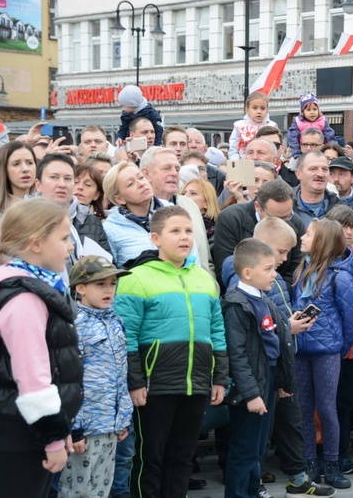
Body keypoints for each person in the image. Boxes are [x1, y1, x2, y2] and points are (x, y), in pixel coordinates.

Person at [114, 206, 228, 497]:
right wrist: (135, 382)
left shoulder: (204, 279)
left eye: (189, 231)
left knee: (182, 457)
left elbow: (217, 330)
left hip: (196, 382)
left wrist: (219, 377)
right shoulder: (135, 278)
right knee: (150, 459)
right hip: (155, 386)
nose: (184, 237)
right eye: (175, 231)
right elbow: (125, 337)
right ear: (156, 238)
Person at [0, 198, 83, 498]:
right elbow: (33, 376)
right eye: (64, 238)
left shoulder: (32, 287)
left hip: (29, 427)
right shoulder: (24, 299)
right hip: (24, 431)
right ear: (36, 244)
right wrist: (53, 440)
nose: (70, 247)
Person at [222, 238, 297, 498]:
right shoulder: (236, 305)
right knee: (245, 447)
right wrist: (251, 394)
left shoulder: (264, 299)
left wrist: (282, 383)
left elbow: (276, 345)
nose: (274, 273)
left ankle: (253, 492)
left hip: (268, 378)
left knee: (257, 447)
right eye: (267, 269)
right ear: (247, 273)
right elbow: (237, 355)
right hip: (251, 386)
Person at [292, 219, 353, 489]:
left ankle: (331, 463)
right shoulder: (300, 271)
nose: (302, 236)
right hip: (300, 352)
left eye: (308, 234)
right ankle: (310, 463)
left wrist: (336, 348)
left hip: (326, 353)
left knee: (327, 409)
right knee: (304, 409)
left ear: (321, 242)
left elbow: (351, 321)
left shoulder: (339, 277)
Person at [59, 256, 133, 498]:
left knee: (102, 488)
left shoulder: (115, 322)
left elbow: (121, 374)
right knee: (76, 491)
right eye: (100, 284)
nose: (109, 290)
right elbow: (68, 380)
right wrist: (75, 427)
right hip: (85, 427)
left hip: (109, 425)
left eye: (112, 284)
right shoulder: (73, 325)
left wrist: (123, 416)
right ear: (80, 288)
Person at [324, 205, 353, 474]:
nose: (349, 231)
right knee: (327, 403)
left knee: (347, 402)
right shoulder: (319, 260)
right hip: (328, 345)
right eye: (343, 226)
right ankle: (324, 452)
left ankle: (342, 453)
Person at [214, 179, 305, 286]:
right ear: (258, 207)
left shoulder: (296, 222)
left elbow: (295, 271)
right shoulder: (231, 219)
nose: (282, 223)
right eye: (275, 217)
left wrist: (279, 295)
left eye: (287, 216)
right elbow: (226, 270)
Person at [139, 147, 212, 276]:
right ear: (146, 174)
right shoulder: (137, 210)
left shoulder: (189, 205)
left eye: (177, 169)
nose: (174, 173)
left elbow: (205, 257)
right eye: (166, 168)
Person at [36, 153, 111, 260]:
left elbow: (108, 266)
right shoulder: (24, 218)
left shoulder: (93, 222)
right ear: (38, 185)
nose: (62, 184)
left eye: (68, 179)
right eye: (54, 177)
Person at [293, 151, 340, 226]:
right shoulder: (283, 207)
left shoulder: (341, 209)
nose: (320, 174)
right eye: (313, 169)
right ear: (298, 174)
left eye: (324, 169)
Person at [229, 92, 278, 159]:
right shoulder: (239, 126)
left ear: (267, 110)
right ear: (247, 110)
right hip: (245, 163)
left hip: (266, 163)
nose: (259, 111)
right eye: (255, 108)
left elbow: (277, 147)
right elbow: (233, 148)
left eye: (262, 108)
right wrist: (237, 162)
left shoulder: (271, 126)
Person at [0, 141, 36, 213]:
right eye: (16, 164)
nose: (25, 169)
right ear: (4, 169)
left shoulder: (48, 207)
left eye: (30, 163)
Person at [288, 93, 336, 158]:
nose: (312, 112)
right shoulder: (298, 122)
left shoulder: (323, 121)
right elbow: (293, 139)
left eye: (315, 109)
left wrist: (331, 150)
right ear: (302, 111)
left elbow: (330, 137)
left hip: (320, 152)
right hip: (302, 153)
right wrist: (296, 155)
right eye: (308, 110)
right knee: (293, 166)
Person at [180, 178, 220, 250]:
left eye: (193, 193)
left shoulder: (217, 231)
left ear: (206, 203)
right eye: (183, 193)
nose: (185, 196)